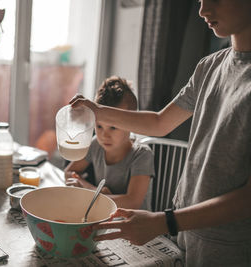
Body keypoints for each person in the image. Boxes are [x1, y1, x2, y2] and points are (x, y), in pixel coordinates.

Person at [70, 0, 251, 266]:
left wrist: (166, 221)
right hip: (188, 228)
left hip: (231, 243)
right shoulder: (209, 67)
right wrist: (97, 111)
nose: (202, 10)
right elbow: (159, 122)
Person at [64, 76, 155, 210]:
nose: (104, 135)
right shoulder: (96, 144)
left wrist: (88, 190)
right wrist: (96, 191)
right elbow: (69, 172)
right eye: (99, 126)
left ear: (132, 124)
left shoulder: (142, 155)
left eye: (113, 127)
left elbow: (132, 202)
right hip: (105, 216)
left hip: (136, 225)